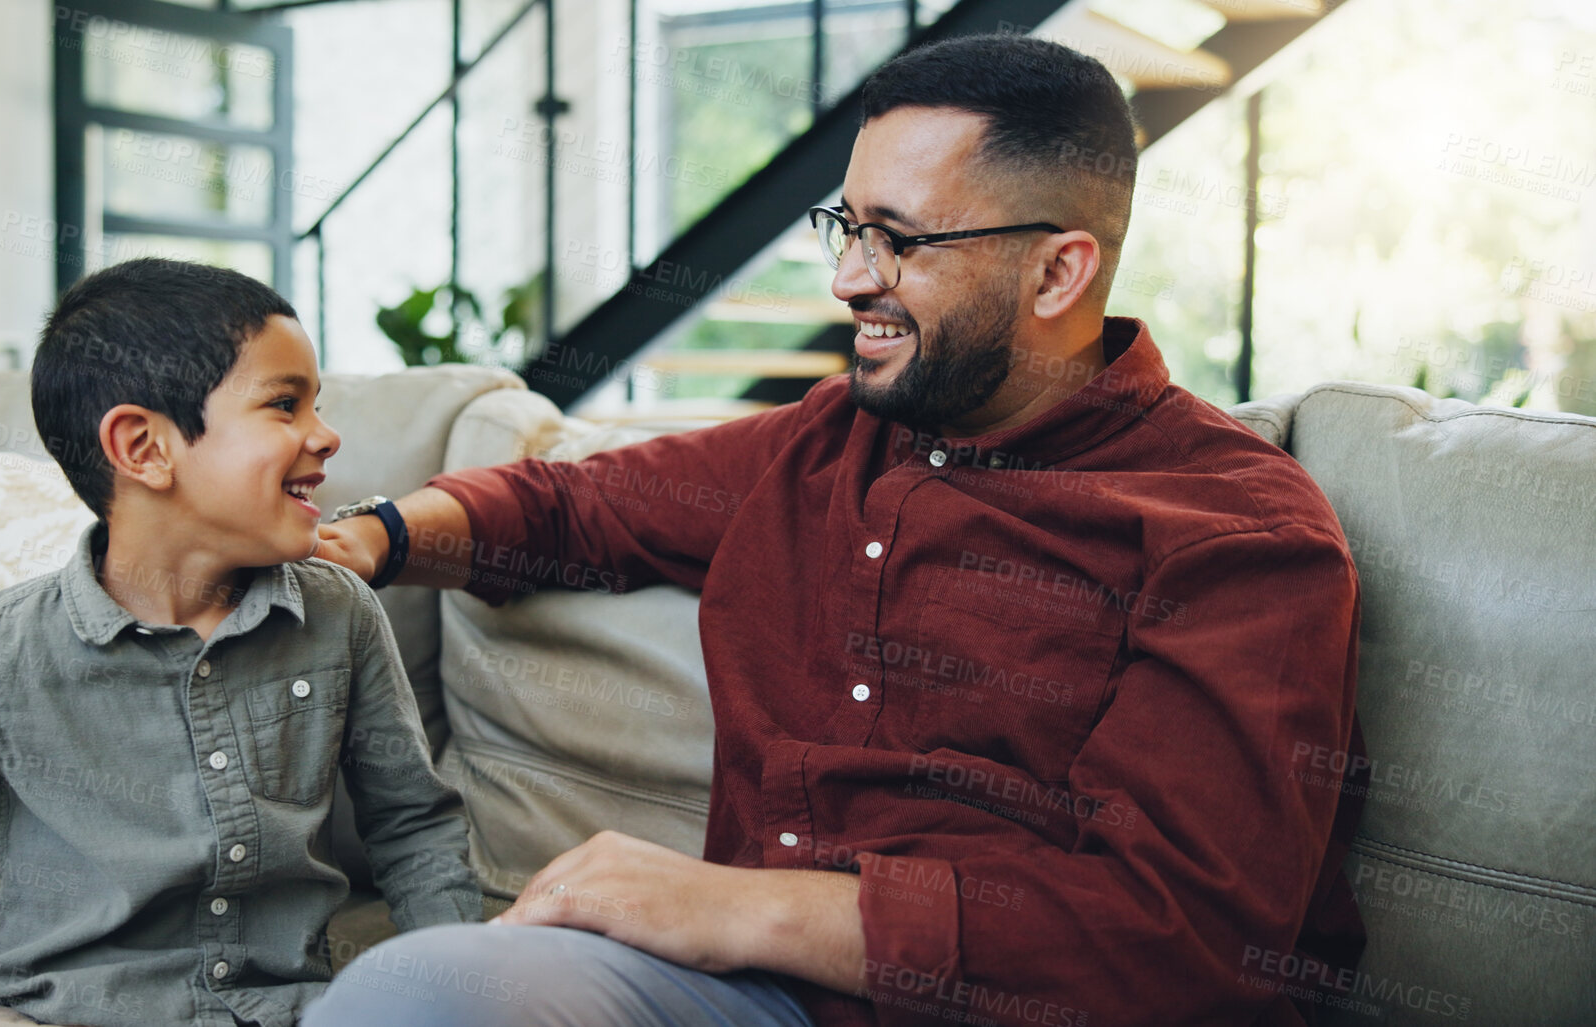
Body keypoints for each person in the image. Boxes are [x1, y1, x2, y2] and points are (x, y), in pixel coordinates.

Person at [305, 33, 1365, 1027]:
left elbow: (1186, 938)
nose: (850, 277)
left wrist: (733, 907)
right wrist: (369, 536)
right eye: (849, 227)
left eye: (899, 240)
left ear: (1058, 272)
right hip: (763, 1002)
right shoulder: (828, 440)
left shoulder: (1237, 532)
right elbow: (572, 505)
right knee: (419, 987)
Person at [0, 259, 480, 1027]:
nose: (326, 435)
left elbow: (414, 827)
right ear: (143, 447)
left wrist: (460, 999)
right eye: (284, 404)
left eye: (317, 404)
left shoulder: (339, 614)